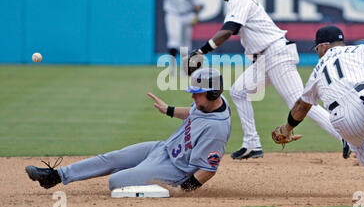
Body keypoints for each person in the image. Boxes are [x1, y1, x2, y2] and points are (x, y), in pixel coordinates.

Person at [188, 0, 351, 160]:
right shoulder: (237, 2)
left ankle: (345, 136)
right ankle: (252, 144)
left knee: (300, 103)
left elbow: (228, 30)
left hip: (276, 53)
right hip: (265, 57)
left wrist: (201, 51)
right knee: (238, 91)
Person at [25, 68, 231, 193]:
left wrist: (181, 192)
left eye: (198, 94)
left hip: (175, 169)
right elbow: (194, 113)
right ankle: (55, 176)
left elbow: (208, 170)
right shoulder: (209, 104)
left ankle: (151, 183)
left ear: (213, 93)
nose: (193, 97)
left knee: (116, 181)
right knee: (112, 158)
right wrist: (168, 110)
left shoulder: (216, 130)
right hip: (163, 148)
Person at [277, 25, 364, 200]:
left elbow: (302, 107)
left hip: (342, 117)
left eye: (317, 49)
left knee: (359, 147)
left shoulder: (316, 72)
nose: (317, 53)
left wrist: (287, 128)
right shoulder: (362, 50)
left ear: (323, 46)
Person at [147, 0, 204, 69]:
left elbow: (199, 4)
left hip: (187, 15)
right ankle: (172, 66)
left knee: (186, 43)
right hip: (173, 14)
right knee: (174, 39)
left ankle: (185, 67)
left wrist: (196, 15)